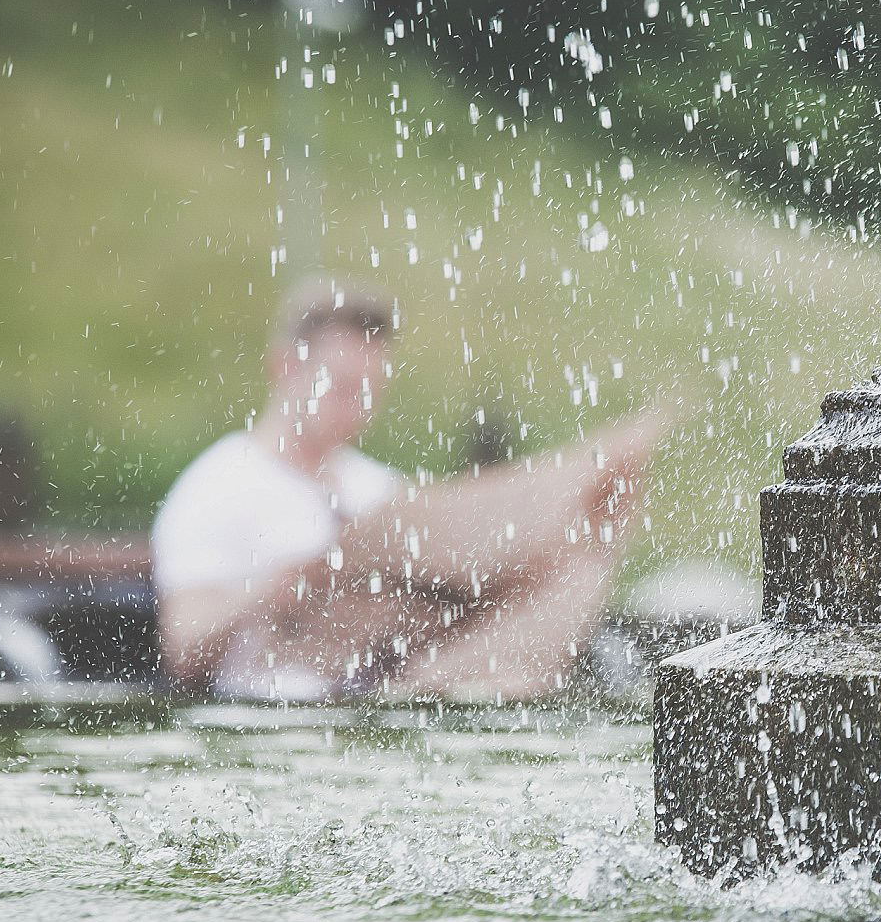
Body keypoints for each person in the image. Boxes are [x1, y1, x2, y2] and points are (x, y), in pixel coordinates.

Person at [150, 277, 666, 702]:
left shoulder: (377, 487)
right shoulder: (217, 489)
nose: (359, 406)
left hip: (386, 702)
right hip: (271, 711)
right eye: (344, 387)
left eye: (372, 389)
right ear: (286, 367)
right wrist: (275, 591)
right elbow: (182, 648)